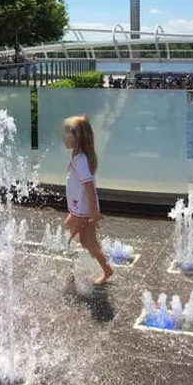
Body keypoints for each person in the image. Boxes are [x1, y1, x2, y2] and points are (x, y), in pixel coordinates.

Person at [62, 115, 113, 285]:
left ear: (76, 138)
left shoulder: (80, 160)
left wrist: (93, 212)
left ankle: (73, 269)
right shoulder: (79, 158)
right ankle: (107, 270)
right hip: (81, 209)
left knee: (67, 235)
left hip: (83, 210)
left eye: (66, 133)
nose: (63, 137)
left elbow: (89, 185)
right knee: (87, 242)